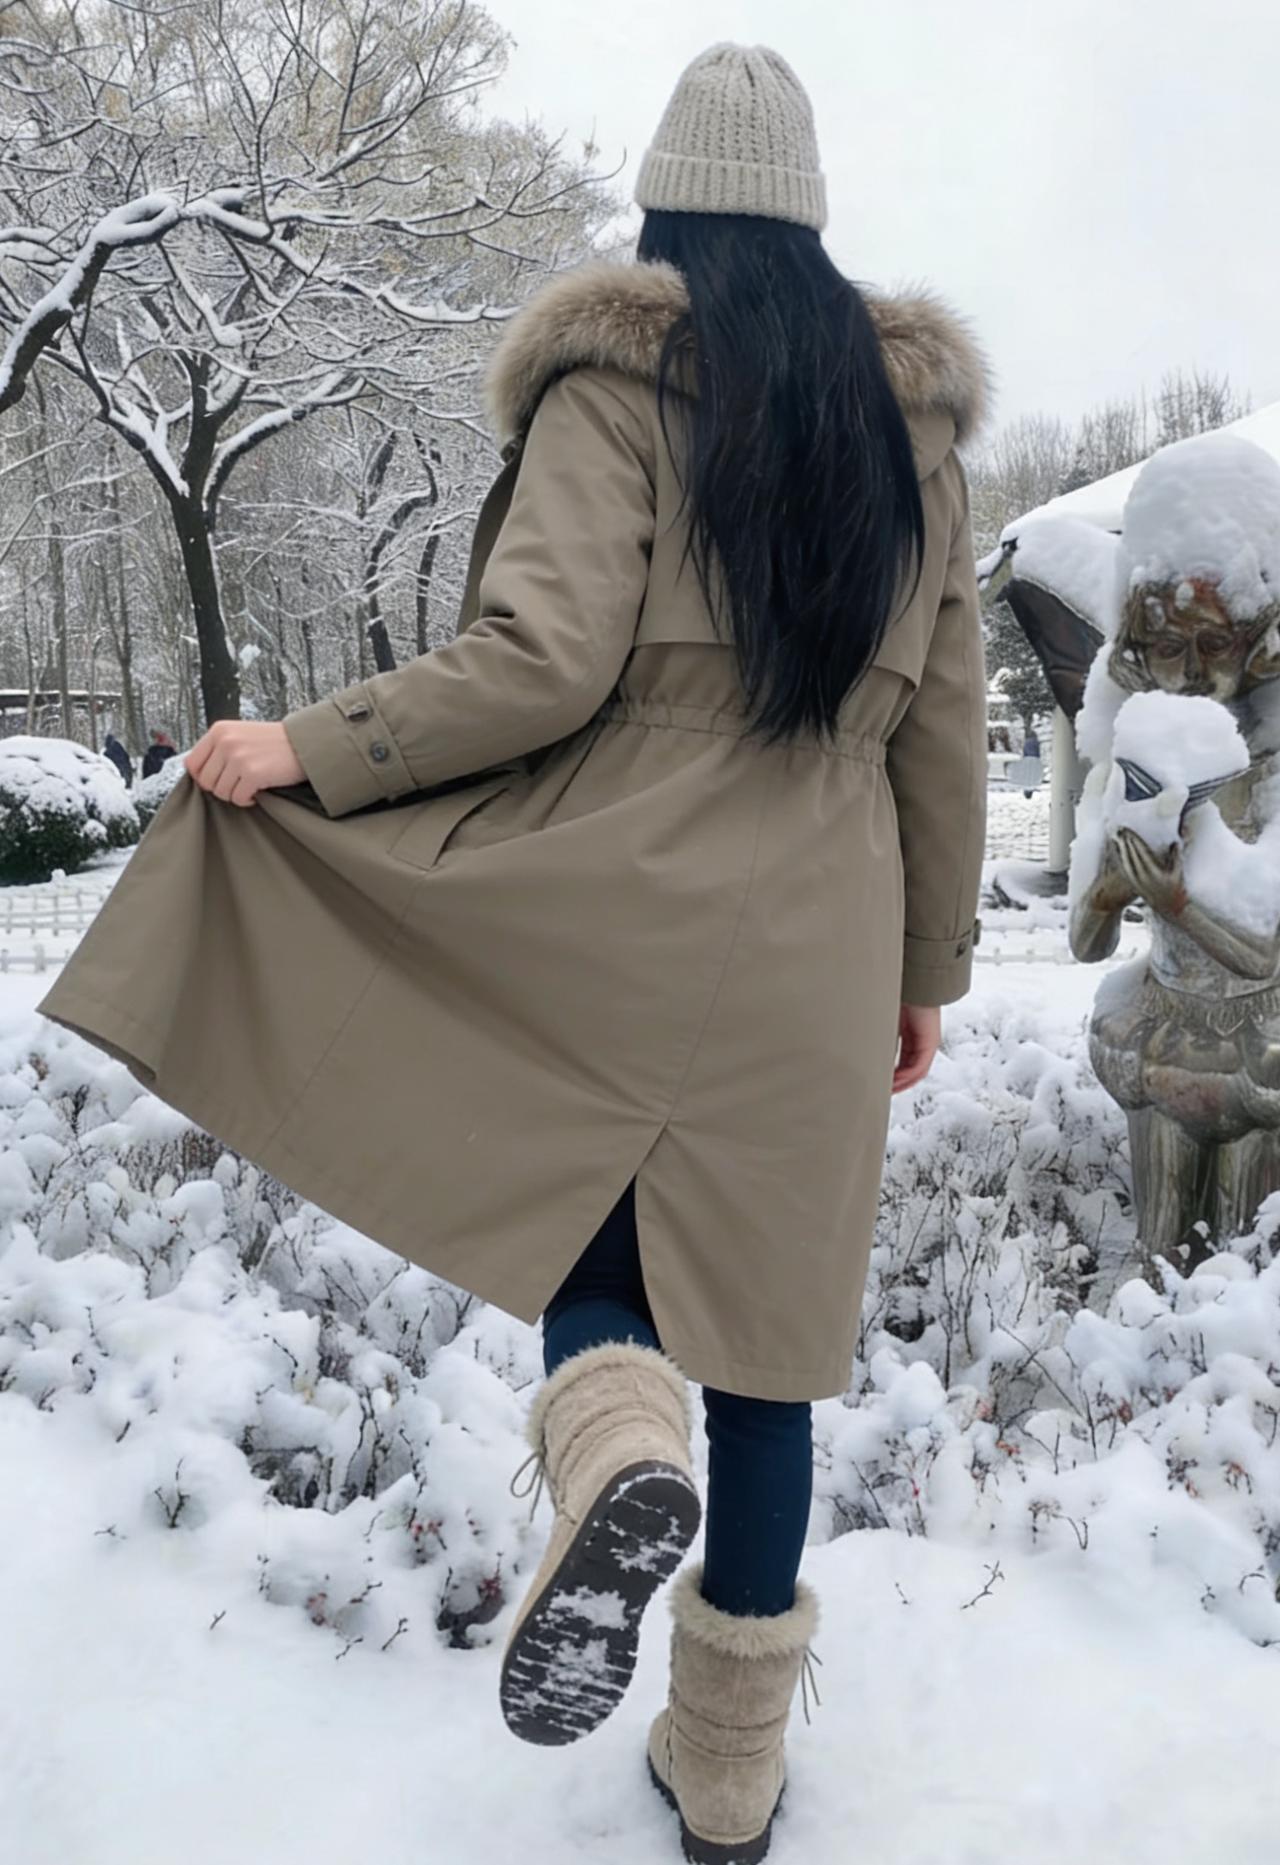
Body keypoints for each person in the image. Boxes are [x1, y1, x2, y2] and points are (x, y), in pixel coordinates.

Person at [39, 43, 988, 1862]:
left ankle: (611, 1446)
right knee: (768, 1347)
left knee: (588, 1229)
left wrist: (308, 748)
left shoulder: (621, 381)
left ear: (663, 209)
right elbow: (939, 734)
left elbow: (542, 664)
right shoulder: (915, 443)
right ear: (811, 218)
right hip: (823, 926)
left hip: (615, 889)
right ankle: (730, 1776)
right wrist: (921, 969)